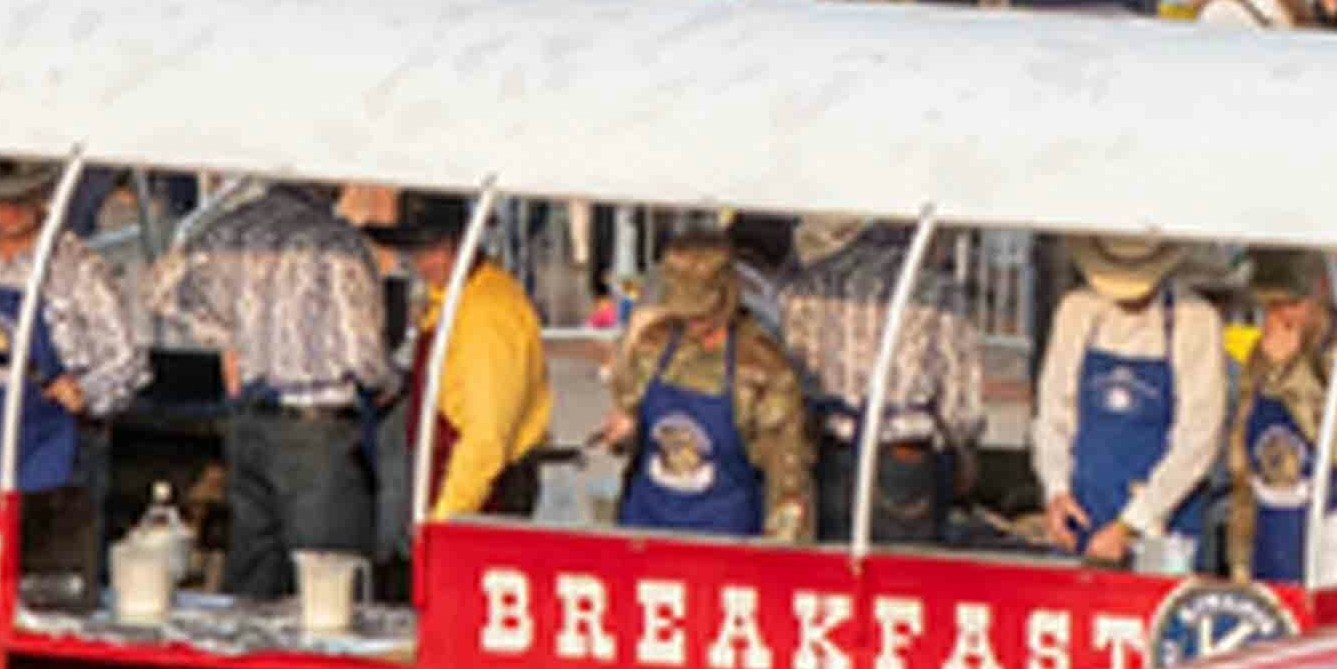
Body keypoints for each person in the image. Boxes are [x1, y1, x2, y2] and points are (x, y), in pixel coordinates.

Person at [0, 162, 149, 583]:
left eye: (17, 199)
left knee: (49, 589)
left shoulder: (74, 265)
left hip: (49, 455)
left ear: (40, 199)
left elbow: (127, 357)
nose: (5, 211)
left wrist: (86, 390)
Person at [177, 178, 390, 599]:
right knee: (326, 585)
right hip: (315, 429)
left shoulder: (227, 231)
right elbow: (364, 354)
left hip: (249, 421)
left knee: (255, 582)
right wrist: (389, 381)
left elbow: (172, 296)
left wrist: (229, 344)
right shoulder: (337, 244)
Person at [593, 227, 814, 541]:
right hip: (647, 526)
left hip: (726, 540)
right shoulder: (652, 345)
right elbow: (627, 419)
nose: (691, 324)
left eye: (700, 315)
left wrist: (778, 554)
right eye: (683, 314)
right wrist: (623, 432)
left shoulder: (762, 368)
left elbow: (787, 479)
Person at [1030, 236, 1228, 567]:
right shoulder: (1076, 310)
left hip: (1164, 521)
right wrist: (1056, 490)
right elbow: (1053, 412)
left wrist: (1133, 523)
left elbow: (1199, 437)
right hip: (1083, 509)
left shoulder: (1195, 318)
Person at [777, 218, 978, 543]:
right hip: (905, 453)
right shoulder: (934, 287)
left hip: (833, 446)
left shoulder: (812, 283)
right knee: (902, 578)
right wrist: (963, 453)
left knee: (834, 568)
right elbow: (960, 399)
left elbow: (793, 374)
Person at [387, 194, 549, 521]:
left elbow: (485, 438)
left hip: (484, 496)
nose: (421, 264)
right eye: (415, 252)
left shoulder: (487, 312)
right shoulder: (452, 295)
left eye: (432, 250)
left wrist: (447, 518)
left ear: (463, 242)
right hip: (453, 481)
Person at [1229, 257, 1337, 584]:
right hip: (1271, 540)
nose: (1280, 318)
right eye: (1270, 306)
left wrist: (1289, 376)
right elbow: (1242, 467)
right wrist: (1239, 561)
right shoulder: (1260, 356)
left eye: (1292, 304)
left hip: (1335, 541)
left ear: (1320, 295)